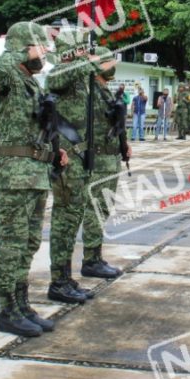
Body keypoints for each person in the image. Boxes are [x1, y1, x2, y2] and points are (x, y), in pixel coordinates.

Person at [0, 22, 60, 338]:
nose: (43, 53)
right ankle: (7, 310)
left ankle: (21, 303)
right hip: (14, 173)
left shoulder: (31, 82)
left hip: (35, 172)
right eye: (39, 47)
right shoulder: (8, 75)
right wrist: (18, 46)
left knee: (28, 242)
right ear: (22, 46)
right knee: (12, 242)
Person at [45, 47, 127, 304]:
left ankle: (87, 261)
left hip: (106, 156)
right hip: (91, 158)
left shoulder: (100, 90)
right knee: (88, 211)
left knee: (100, 209)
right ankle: (85, 262)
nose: (112, 66)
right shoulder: (83, 86)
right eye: (109, 61)